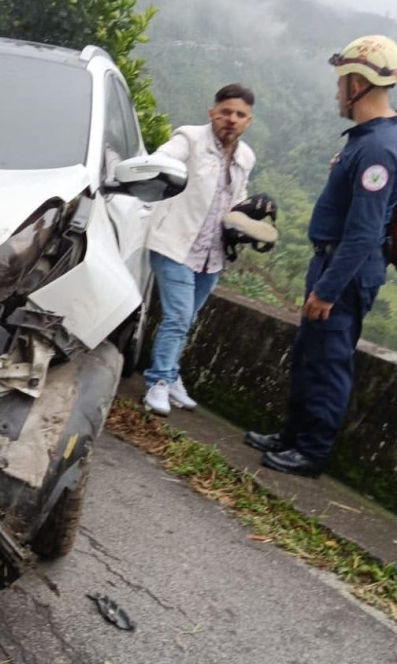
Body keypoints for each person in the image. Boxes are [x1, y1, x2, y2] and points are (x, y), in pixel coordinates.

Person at [244, 35, 397, 477]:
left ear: (359, 84)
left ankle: (312, 451)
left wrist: (328, 290)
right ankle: (292, 436)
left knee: (329, 361)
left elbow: (365, 232)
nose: (336, 91)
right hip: (330, 263)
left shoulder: (377, 149)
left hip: (346, 271)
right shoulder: (369, 139)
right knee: (309, 354)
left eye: (341, 81)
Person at [143, 84, 256, 416]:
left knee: (187, 318)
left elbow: (236, 199)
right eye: (225, 112)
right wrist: (160, 167)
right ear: (212, 113)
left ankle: (171, 374)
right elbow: (164, 158)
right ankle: (157, 382)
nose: (231, 120)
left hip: (213, 254)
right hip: (175, 244)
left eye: (239, 115)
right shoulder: (189, 139)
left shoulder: (246, 157)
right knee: (177, 317)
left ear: (249, 120)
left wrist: (251, 212)